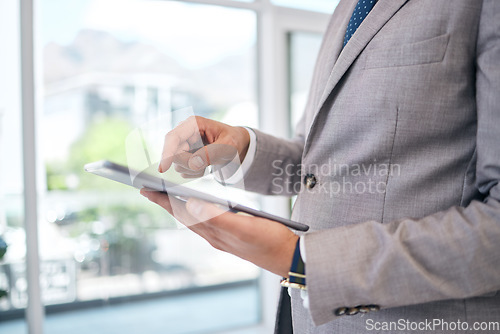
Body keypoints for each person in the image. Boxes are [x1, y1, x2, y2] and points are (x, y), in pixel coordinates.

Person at [141, 0, 500, 332]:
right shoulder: (347, 8)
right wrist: (241, 148)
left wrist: (305, 260)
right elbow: (316, 161)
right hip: (301, 315)